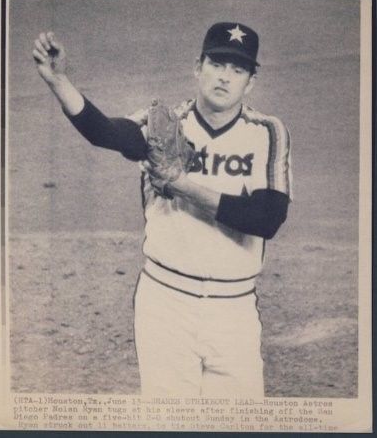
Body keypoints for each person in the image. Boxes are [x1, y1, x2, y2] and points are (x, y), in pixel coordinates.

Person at [32, 22, 292, 396]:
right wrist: (59, 82)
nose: (224, 78)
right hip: (165, 302)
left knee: (239, 424)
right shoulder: (164, 124)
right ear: (197, 66)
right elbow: (105, 131)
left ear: (250, 82)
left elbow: (267, 219)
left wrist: (182, 185)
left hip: (234, 310)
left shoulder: (268, 132)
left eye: (238, 70)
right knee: (169, 422)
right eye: (217, 64)